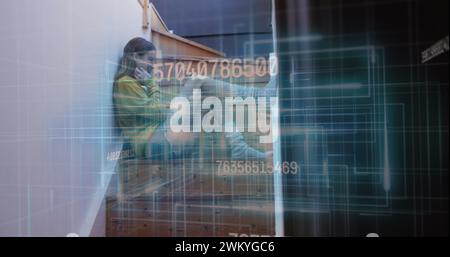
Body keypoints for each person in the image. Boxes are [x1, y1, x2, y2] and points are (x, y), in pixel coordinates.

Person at [113, 37, 276, 161]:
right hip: (154, 141)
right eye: (150, 60)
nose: (152, 65)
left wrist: (181, 96)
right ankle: (261, 96)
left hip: (161, 136)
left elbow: (156, 109)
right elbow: (158, 113)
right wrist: (151, 84)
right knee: (198, 80)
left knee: (211, 102)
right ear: (135, 57)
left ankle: (239, 148)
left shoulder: (134, 81)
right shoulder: (125, 83)